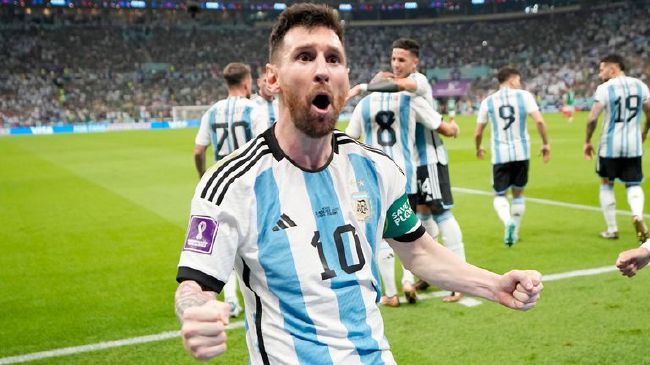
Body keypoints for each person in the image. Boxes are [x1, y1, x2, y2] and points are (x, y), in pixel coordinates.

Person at [174, 4, 543, 363]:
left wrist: (495, 285)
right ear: (271, 79)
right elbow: (195, 285)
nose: (323, 71)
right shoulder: (230, 184)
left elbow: (419, 252)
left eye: (333, 59)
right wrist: (194, 312)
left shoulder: (376, 169)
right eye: (305, 57)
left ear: (347, 77)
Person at [348, 37, 467, 303]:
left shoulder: (416, 85)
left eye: (401, 60)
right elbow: (444, 127)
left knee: (438, 214)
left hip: (428, 160)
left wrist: (364, 87)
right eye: (393, 59)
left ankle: (455, 281)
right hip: (410, 164)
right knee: (419, 220)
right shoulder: (401, 99)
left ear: (415, 62)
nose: (396, 64)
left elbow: (351, 135)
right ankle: (420, 276)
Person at [193, 62, 258, 317]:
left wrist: (204, 176)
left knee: (226, 242)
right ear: (246, 83)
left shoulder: (211, 112)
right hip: (250, 187)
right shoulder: (255, 109)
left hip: (222, 187)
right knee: (254, 245)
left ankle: (231, 300)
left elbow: (199, 150)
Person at [474, 66, 551, 247]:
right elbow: (539, 120)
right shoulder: (525, 96)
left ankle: (507, 220)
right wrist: (545, 143)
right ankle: (514, 231)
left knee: (500, 194)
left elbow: (478, 132)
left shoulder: (488, 101)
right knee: (518, 193)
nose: (519, 83)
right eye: (518, 79)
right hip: (521, 153)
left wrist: (478, 147)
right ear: (511, 79)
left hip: (500, 155)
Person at [584, 54, 650, 243]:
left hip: (610, 145)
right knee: (633, 184)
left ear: (613, 69)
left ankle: (612, 229)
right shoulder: (641, 86)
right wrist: (644, 131)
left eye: (602, 68)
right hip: (633, 145)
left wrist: (587, 140)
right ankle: (637, 214)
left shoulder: (605, 88)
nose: (599, 73)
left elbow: (592, 118)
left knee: (606, 183)